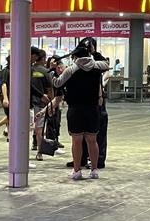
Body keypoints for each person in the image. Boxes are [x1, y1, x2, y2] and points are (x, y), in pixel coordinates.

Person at [52, 38, 109, 180]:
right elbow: (106, 64)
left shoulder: (71, 70)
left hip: (75, 109)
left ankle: (77, 171)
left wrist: (53, 72)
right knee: (92, 140)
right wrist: (94, 53)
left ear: (75, 57)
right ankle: (94, 170)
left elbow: (57, 83)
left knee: (76, 141)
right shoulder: (96, 66)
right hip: (92, 108)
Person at [30, 47, 53, 160]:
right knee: (39, 130)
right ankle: (39, 153)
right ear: (42, 58)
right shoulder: (45, 71)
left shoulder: (29, 69)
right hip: (41, 104)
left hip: (29, 103)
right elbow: (50, 89)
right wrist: (52, 103)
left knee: (28, 128)